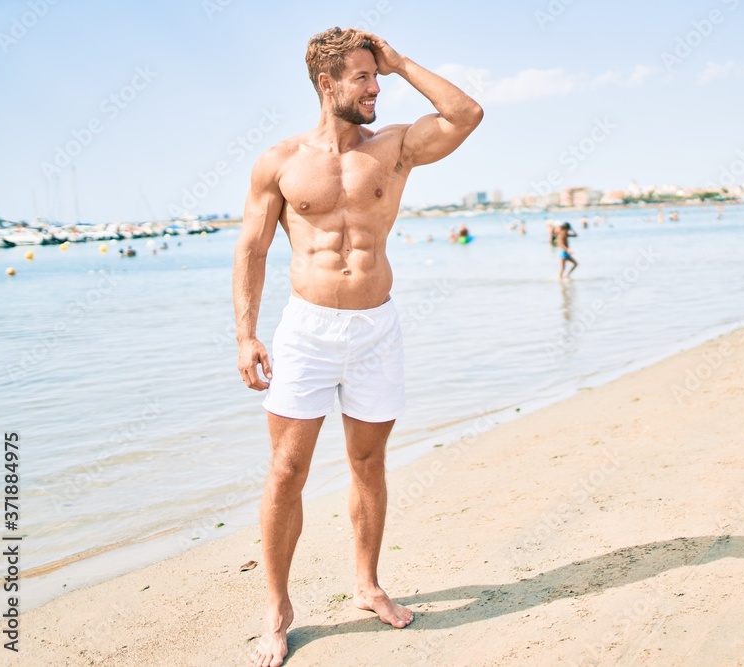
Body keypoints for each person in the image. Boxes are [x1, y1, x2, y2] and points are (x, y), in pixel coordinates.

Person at [232, 27, 482, 667]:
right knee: (287, 471)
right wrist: (246, 334)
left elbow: (466, 113)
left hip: (376, 330)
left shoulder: (394, 148)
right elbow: (253, 250)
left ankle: (368, 584)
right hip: (307, 332)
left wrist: (398, 61)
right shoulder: (280, 161)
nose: (377, 88)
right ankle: (277, 608)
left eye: (379, 76)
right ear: (328, 84)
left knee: (369, 463)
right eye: (365, 77)